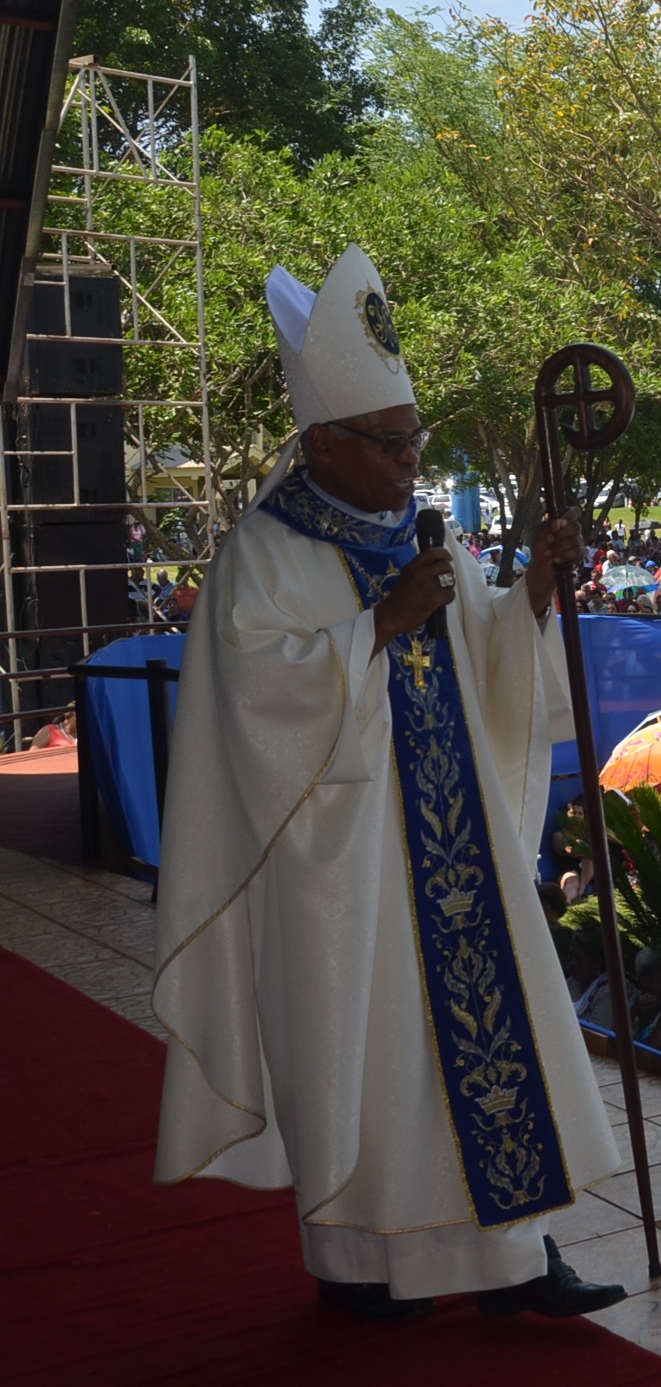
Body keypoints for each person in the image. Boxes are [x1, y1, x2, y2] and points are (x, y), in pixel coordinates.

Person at [151, 250, 624, 1320]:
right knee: (363, 1058)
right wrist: (378, 625)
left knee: (488, 1038)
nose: (414, 462)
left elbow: (483, 643)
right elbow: (251, 702)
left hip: (453, 851)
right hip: (342, 865)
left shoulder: (420, 533)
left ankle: (515, 1258)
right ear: (324, 442)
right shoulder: (263, 555)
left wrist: (535, 593)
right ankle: (362, 1265)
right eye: (392, 443)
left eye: (416, 441)